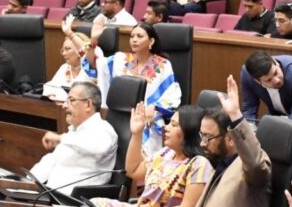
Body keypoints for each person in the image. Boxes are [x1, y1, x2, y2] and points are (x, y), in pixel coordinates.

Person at [167, 76, 271, 207]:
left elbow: (255, 164)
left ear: (230, 138)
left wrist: (236, 117)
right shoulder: (220, 162)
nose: (202, 143)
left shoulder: (250, 167)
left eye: (208, 137)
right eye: (201, 136)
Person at [88, 104, 210, 207]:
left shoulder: (198, 164)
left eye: (173, 125)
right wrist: (137, 134)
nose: (166, 128)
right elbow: (133, 170)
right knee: (93, 204)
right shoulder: (165, 153)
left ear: (189, 131)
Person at [90, 22, 181, 156]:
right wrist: (93, 41)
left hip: (149, 119)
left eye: (139, 36)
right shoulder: (120, 59)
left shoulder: (163, 65)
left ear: (151, 41)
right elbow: (93, 65)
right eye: (132, 36)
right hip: (120, 117)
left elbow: (172, 94)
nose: (134, 39)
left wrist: (155, 108)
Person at [30, 81, 117, 192]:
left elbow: (97, 148)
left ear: (88, 104)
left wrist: (60, 138)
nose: (64, 105)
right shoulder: (74, 131)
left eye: (71, 100)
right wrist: (29, 182)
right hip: (50, 194)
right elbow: (53, 160)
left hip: (75, 199)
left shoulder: (103, 129)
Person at [239, 51, 292, 122]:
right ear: (258, 81)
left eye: (275, 73)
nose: (277, 80)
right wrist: (249, 127)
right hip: (274, 116)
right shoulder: (247, 75)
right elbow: (249, 108)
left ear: (276, 63)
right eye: (269, 80)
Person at [43, 29, 100, 101]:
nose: (64, 53)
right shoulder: (64, 67)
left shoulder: (90, 69)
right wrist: (52, 96)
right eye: (63, 50)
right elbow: (50, 87)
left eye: (67, 49)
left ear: (80, 50)